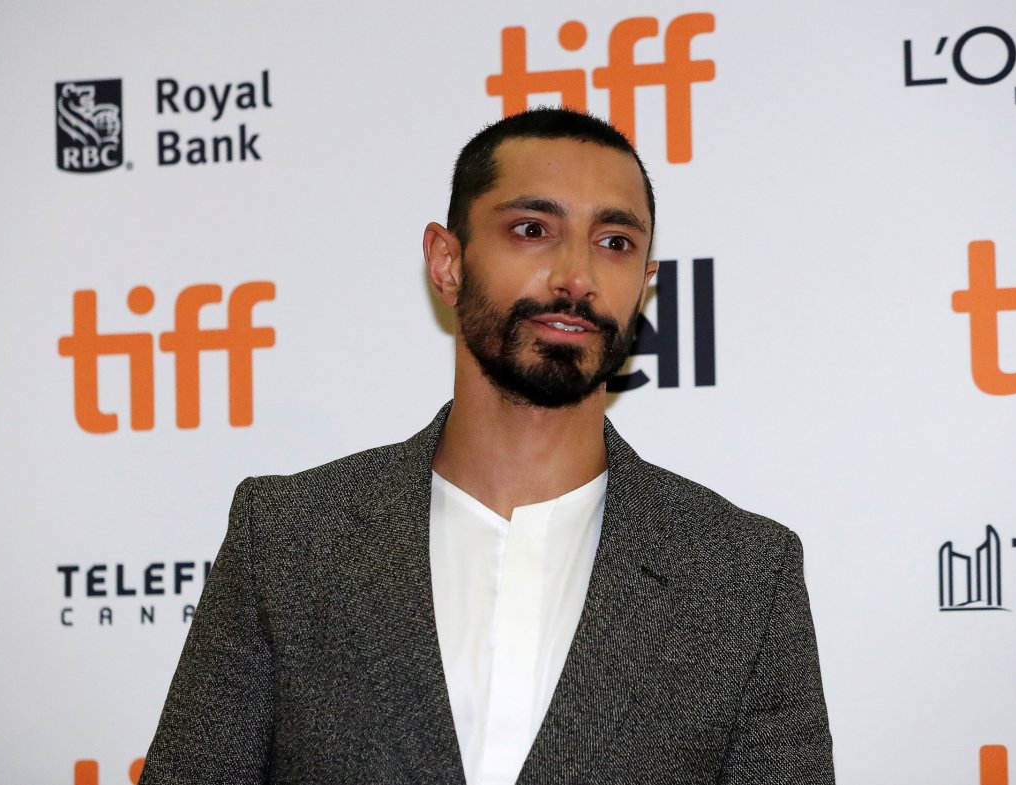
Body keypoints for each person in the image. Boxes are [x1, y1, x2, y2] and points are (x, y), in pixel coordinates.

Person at [138, 107, 834, 785]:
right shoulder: (289, 537)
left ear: (645, 286)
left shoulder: (743, 575)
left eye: (615, 242)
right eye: (533, 229)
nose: (577, 275)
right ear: (446, 262)